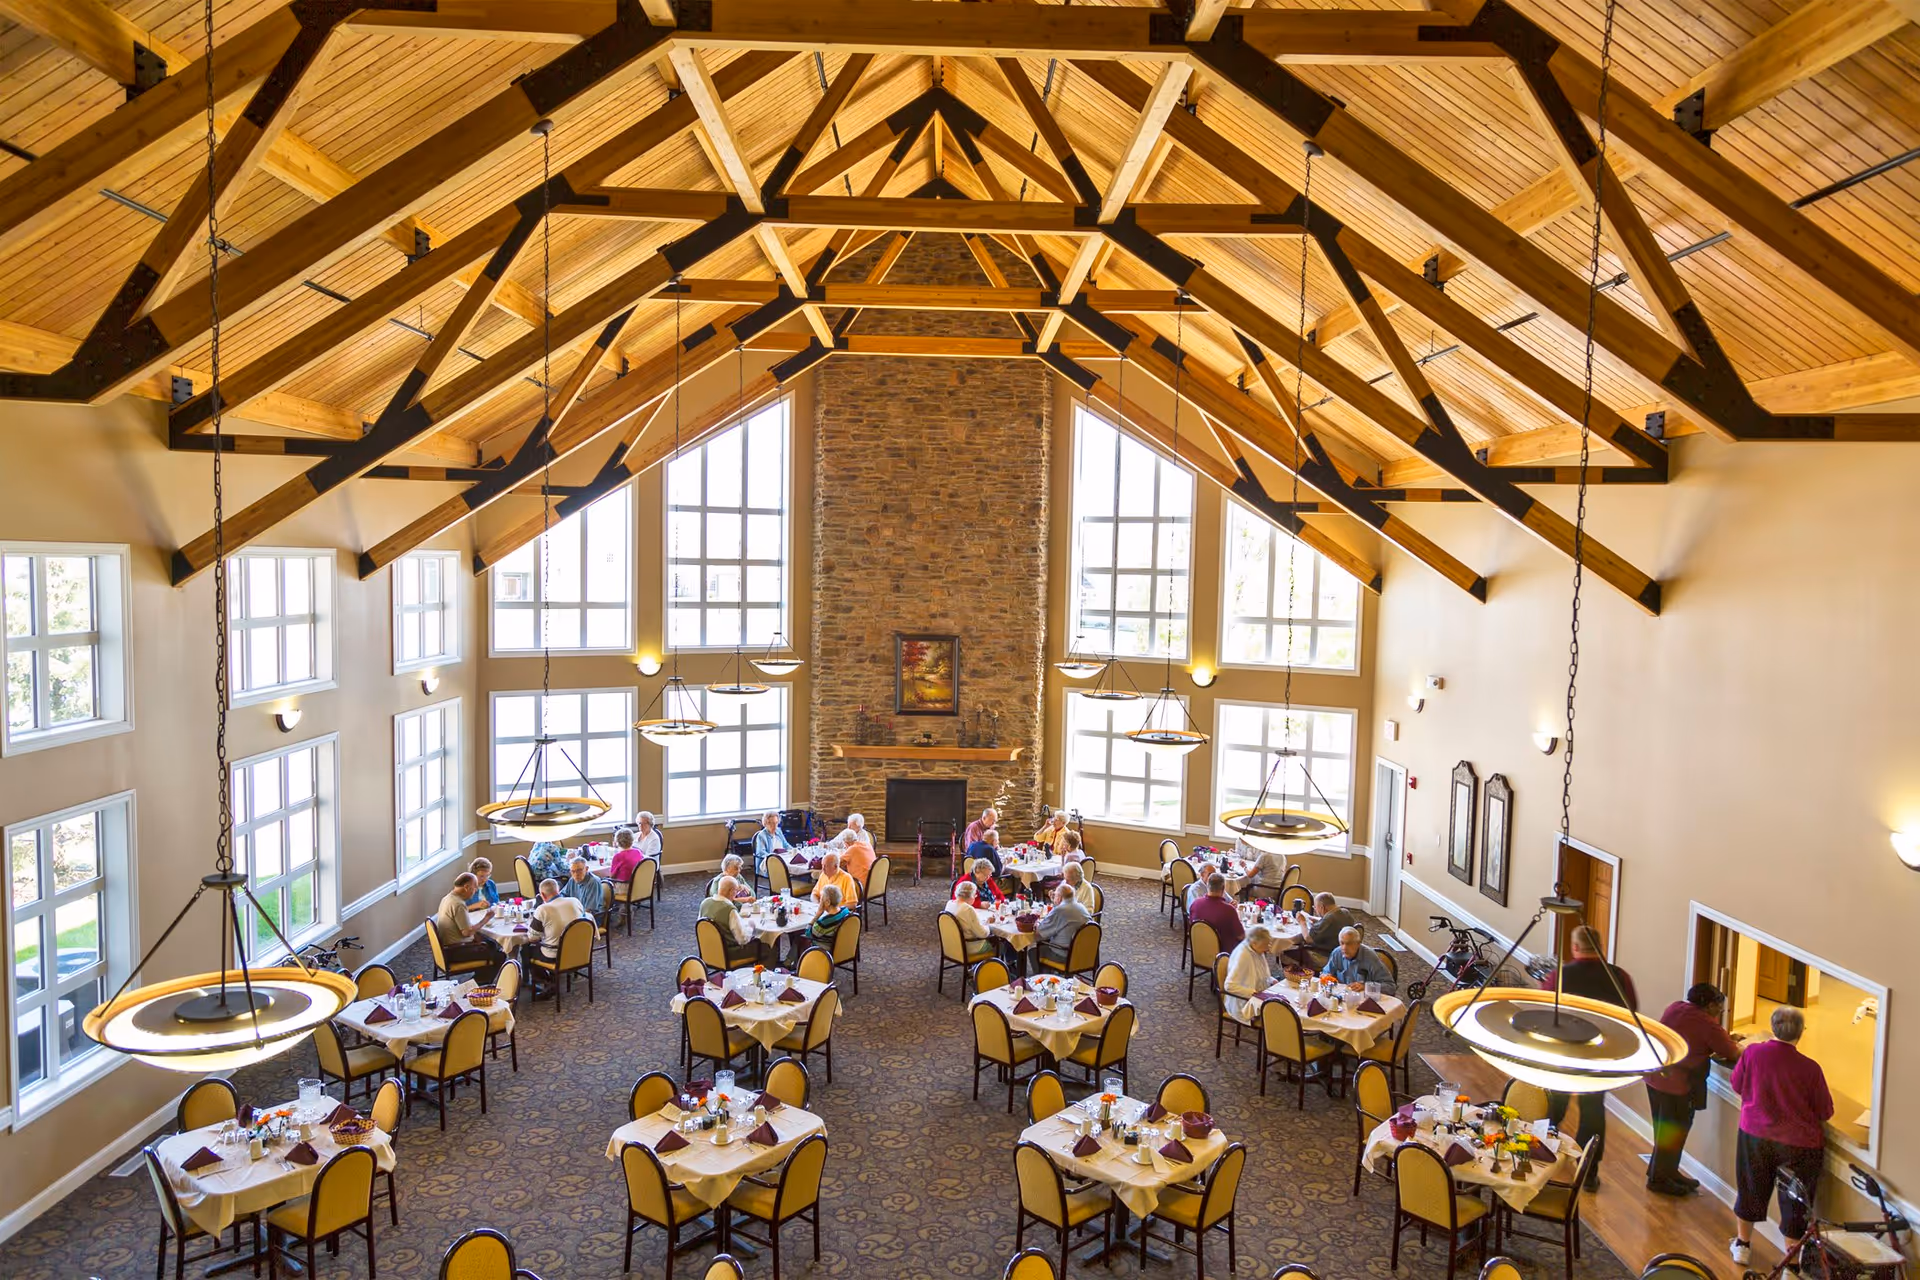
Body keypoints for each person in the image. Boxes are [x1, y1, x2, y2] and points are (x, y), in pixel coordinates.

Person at [1729, 1007, 1833, 1269]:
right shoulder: (1810, 1069)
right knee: (1794, 1200)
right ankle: (1791, 1264)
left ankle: (1743, 1246)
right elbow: (1825, 1111)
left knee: (1750, 1187)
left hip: (1755, 1134)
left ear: (1773, 1026)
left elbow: (1737, 1084)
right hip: (1799, 1145)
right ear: (1801, 1033)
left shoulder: (1753, 1053)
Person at [1542, 924, 1637, 1189]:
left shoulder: (1559, 976)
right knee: (1593, 1111)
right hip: (1600, 1057)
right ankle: (1589, 1171)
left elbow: (1542, 1012)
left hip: (1562, 1055)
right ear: (1600, 947)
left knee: (1552, 1108)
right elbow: (1630, 1015)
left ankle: (1538, 1158)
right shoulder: (1619, 977)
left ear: (1574, 948)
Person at [1646, 982, 1744, 1196]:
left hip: (1655, 1078)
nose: (1721, 1012)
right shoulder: (1707, 1024)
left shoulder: (1676, 1007)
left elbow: (1696, 1035)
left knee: (1663, 1131)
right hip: (1676, 1086)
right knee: (1674, 1132)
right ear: (1709, 1005)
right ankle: (1659, 1180)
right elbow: (1732, 1053)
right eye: (1719, 1008)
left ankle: (1664, 1173)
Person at [433, 872, 503, 981]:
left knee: (491, 944)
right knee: (499, 956)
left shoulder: (447, 898)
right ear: (466, 887)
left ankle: (478, 977)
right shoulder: (458, 904)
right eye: (474, 888)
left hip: (446, 947)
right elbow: (467, 932)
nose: (475, 891)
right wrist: (486, 918)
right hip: (456, 950)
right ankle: (477, 985)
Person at [1221, 925, 1279, 1023]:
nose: (1267, 948)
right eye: (1265, 945)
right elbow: (1229, 986)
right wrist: (1253, 993)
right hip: (1243, 1002)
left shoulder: (1257, 949)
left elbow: (1260, 972)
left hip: (1259, 994)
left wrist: (1271, 979)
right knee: (1280, 1012)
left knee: (1284, 1004)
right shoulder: (1243, 955)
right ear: (1254, 943)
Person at [700, 874, 759, 966]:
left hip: (707, 950)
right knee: (766, 946)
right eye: (736, 891)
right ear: (731, 891)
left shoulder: (704, 903)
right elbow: (742, 939)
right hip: (728, 953)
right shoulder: (729, 909)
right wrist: (752, 928)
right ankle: (762, 976)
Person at [529, 877, 588, 965]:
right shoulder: (575, 901)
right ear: (558, 890)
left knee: (526, 950)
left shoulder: (542, 909)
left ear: (542, 895)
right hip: (578, 951)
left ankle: (540, 978)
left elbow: (533, 938)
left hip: (555, 955)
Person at [1321, 926, 1396, 993]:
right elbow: (1326, 972)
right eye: (1342, 943)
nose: (1344, 948)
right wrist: (1327, 977)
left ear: (1358, 943)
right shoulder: (1337, 953)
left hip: (1365, 1000)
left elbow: (1390, 986)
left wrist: (1365, 987)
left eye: (1349, 943)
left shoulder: (1370, 957)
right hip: (1343, 997)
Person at [1033, 882, 1090, 969]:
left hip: (1064, 955)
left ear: (1059, 898)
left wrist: (1037, 924)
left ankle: (1043, 979)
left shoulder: (1060, 910)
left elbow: (1039, 934)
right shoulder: (1081, 907)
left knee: (1032, 948)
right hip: (1084, 953)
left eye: (1055, 895)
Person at [1188, 871, 1246, 951]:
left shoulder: (1195, 904)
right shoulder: (1229, 910)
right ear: (1223, 888)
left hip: (1199, 949)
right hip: (1222, 954)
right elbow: (1241, 936)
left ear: (1207, 886)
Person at [944, 882, 995, 961]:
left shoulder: (950, 903)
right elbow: (983, 934)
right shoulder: (967, 909)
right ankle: (986, 969)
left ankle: (976, 968)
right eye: (975, 895)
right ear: (971, 896)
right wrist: (988, 923)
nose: (975, 897)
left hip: (952, 945)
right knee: (999, 943)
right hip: (968, 947)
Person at [752, 811, 791, 880]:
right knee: (786, 869)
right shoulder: (761, 835)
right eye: (772, 823)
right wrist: (774, 857)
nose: (775, 826)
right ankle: (781, 887)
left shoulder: (778, 831)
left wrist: (794, 851)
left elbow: (786, 845)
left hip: (782, 859)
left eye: (776, 823)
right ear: (766, 823)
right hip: (768, 863)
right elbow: (761, 852)